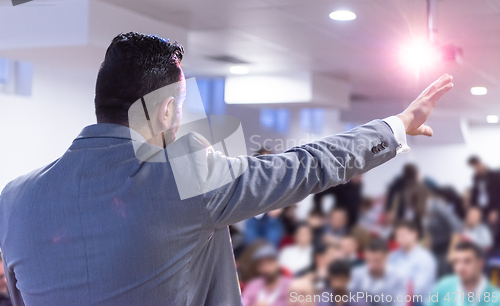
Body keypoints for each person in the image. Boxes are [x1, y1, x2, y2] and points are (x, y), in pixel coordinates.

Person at [0, 32, 454, 306]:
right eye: (179, 105)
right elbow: (305, 167)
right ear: (162, 114)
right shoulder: (182, 175)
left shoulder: (14, 199)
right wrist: (396, 128)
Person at [428, 241, 500, 306]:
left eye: (467, 261)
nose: (460, 267)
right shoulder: (444, 286)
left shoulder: (495, 298)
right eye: (456, 262)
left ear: (480, 263)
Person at [388, 221, 437, 305]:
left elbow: (418, 290)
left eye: (403, 235)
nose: (399, 239)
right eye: (397, 235)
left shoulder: (425, 259)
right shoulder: (393, 256)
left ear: (414, 234)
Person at [349, 238, 406, 306]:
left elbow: (399, 303)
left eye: (377, 261)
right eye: (369, 260)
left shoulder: (398, 278)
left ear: (387, 257)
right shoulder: (356, 273)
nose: (372, 265)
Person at [468, 156, 500, 224]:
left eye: (477, 165)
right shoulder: (476, 178)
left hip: (493, 209)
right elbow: (475, 194)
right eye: (474, 167)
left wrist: (496, 210)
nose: (477, 168)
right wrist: (472, 209)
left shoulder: (495, 175)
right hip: (481, 209)